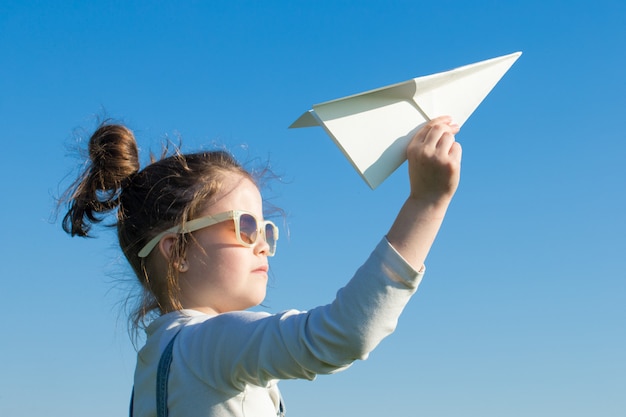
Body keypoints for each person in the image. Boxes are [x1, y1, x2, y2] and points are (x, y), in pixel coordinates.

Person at [61, 116, 462, 417]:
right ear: (177, 251)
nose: (263, 245)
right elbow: (343, 334)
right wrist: (426, 203)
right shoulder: (209, 343)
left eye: (266, 229)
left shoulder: (155, 364)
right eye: (245, 226)